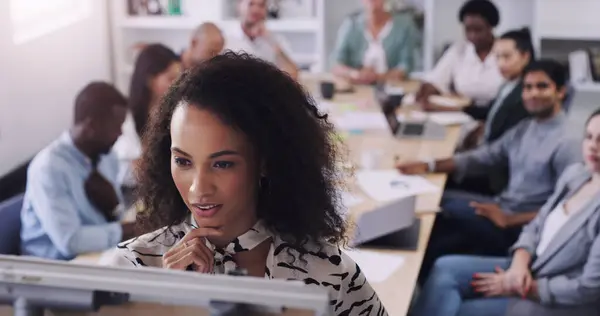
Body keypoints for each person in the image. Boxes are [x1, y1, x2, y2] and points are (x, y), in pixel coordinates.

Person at [103, 52, 387, 314]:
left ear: (265, 161)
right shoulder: (132, 271)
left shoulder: (330, 274)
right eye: (183, 161)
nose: (198, 188)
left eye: (222, 164)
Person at [398, 60, 582, 281]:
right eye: (527, 87)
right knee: (430, 202)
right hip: (502, 207)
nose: (533, 94)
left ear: (561, 92)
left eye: (542, 86)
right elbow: (484, 156)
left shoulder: (568, 141)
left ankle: (417, 290)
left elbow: (567, 208)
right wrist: (428, 165)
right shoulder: (527, 128)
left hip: (520, 227)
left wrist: (510, 219)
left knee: (436, 223)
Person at [412, 109, 600, 316]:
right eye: (589, 137)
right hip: (529, 269)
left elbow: (588, 288)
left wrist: (523, 287)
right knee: (444, 268)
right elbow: (537, 225)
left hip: (558, 303)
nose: (593, 146)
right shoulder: (577, 175)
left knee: (459, 310)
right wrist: (519, 265)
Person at [20, 82, 137, 260]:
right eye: (116, 126)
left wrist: (114, 208)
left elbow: (115, 218)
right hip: (53, 269)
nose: (120, 133)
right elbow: (70, 241)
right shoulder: (48, 169)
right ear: (91, 126)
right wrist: (126, 230)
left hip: (96, 255)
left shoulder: (106, 156)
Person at [450, 28, 535, 196]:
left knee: (443, 178)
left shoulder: (525, 95)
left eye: (507, 57)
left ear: (525, 56)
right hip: (486, 156)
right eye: (497, 57)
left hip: (496, 174)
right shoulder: (508, 85)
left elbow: (502, 147)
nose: (500, 63)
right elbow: (491, 113)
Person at [113, 44, 181, 186]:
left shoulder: (177, 111)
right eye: (171, 79)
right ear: (150, 80)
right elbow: (137, 169)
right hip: (135, 190)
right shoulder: (126, 118)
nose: (178, 85)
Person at [416, 0, 503, 108]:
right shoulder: (459, 50)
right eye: (468, 30)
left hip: (498, 114)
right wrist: (426, 89)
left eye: (478, 30)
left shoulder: (504, 52)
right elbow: (437, 80)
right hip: (462, 115)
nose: (472, 36)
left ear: (491, 27)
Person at [331, 0, 420, 84]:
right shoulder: (351, 24)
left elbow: (406, 66)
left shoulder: (404, 25)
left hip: (391, 90)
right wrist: (355, 74)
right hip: (355, 90)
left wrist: (378, 77)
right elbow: (336, 63)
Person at [226, 0, 299, 79]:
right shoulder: (226, 41)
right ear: (239, 5)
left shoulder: (276, 40)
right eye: (251, 4)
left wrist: (270, 40)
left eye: (261, 5)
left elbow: (293, 75)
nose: (256, 10)